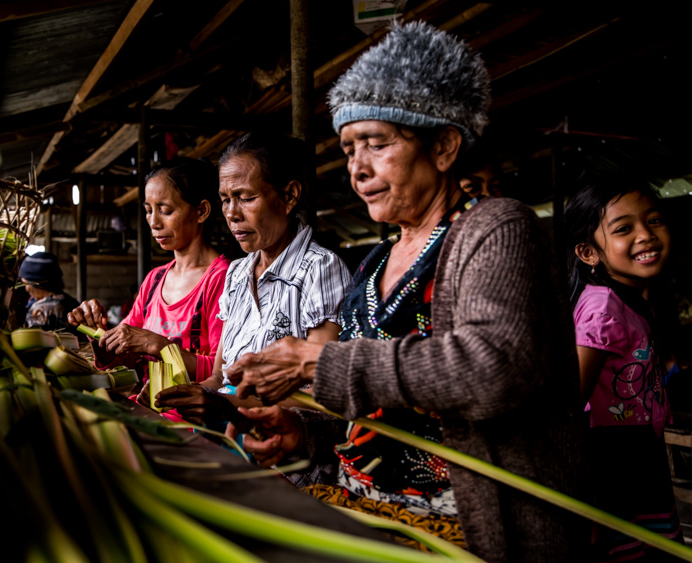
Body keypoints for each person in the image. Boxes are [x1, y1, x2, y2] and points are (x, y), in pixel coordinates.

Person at [224, 22, 586, 561]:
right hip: (365, 514)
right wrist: (304, 429)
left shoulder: (496, 228)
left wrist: (316, 362)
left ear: (443, 146)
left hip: (467, 535)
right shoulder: (373, 264)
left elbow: (493, 368)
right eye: (349, 150)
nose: (358, 170)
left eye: (377, 144)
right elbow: (369, 406)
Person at [156, 133, 351, 431]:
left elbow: (324, 392)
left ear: (289, 196)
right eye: (225, 200)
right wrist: (180, 396)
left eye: (246, 198)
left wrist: (230, 405)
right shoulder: (237, 274)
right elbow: (219, 377)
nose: (232, 214)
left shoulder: (320, 269)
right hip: (228, 437)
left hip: (283, 445)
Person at [567, 179, 683, 559]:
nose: (645, 235)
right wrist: (588, 504)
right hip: (610, 465)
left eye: (654, 220)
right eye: (623, 229)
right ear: (589, 252)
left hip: (639, 456)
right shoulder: (603, 309)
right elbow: (569, 407)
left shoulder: (632, 298)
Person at [67, 157, 229, 382]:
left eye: (166, 211)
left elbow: (222, 373)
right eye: (148, 210)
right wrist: (98, 333)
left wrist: (159, 345)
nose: (154, 222)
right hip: (146, 402)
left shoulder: (223, 279)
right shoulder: (155, 279)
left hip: (189, 406)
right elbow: (123, 360)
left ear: (201, 211)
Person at [17, 251, 79, 333]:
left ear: (37, 284)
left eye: (25, 284)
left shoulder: (40, 309)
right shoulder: (71, 302)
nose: (26, 289)